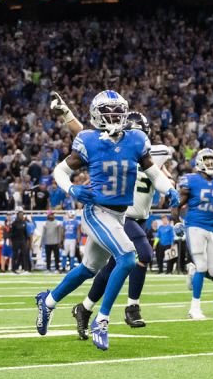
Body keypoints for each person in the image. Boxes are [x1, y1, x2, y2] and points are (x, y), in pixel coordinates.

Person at [33, 91, 175, 350]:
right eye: (109, 111)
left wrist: (169, 189)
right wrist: (72, 190)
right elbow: (60, 170)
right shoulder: (89, 140)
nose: (115, 116)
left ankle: (49, 301)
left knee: (89, 269)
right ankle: (102, 319)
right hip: (96, 211)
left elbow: (155, 174)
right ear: (98, 114)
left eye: (118, 110)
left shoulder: (136, 140)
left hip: (119, 215)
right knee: (128, 257)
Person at [62, 105, 177, 331]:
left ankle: (84, 308)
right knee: (143, 253)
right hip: (122, 215)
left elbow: (161, 174)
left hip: (138, 217)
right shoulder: (111, 145)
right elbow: (85, 134)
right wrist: (68, 115)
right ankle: (132, 308)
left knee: (109, 269)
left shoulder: (153, 152)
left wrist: (167, 185)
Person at [176, 148, 213, 320]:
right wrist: (177, 222)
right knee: (202, 265)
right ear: (199, 162)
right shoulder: (190, 180)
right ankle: (194, 308)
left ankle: (193, 272)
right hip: (194, 226)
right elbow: (177, 204)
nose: (210, 163)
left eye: (212, 160)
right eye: (206, 160)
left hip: (212, 228)